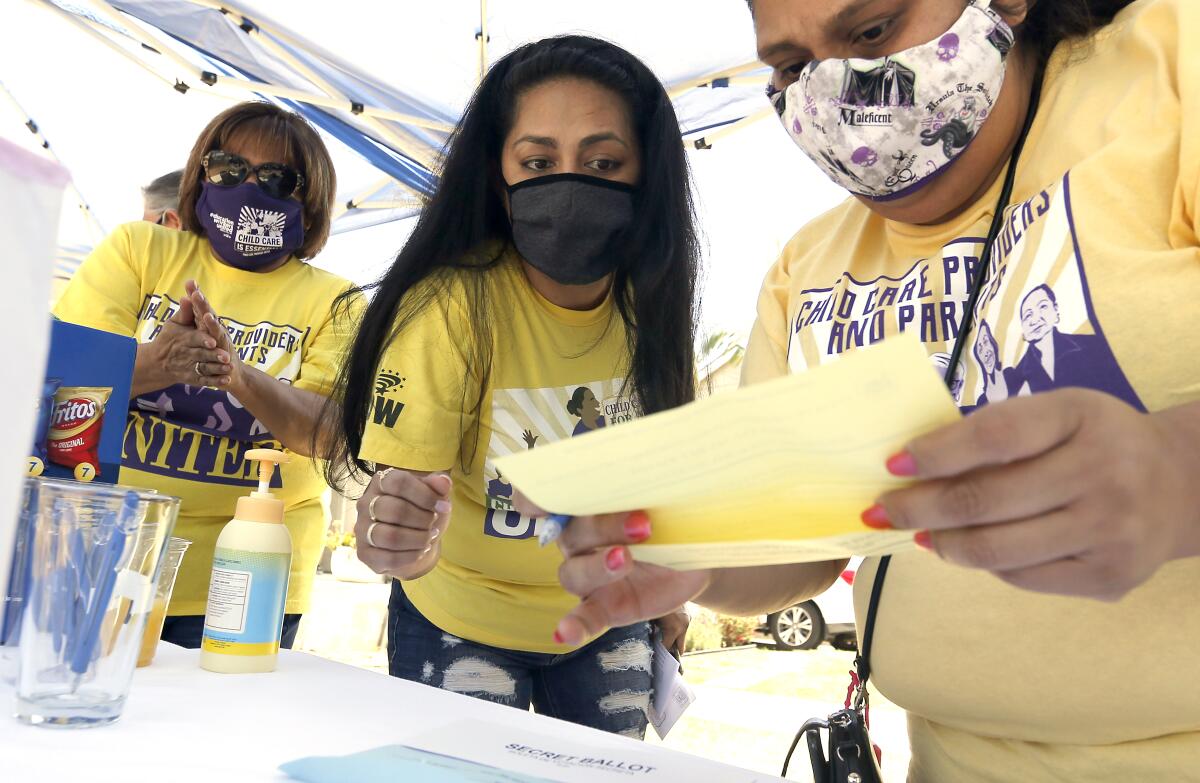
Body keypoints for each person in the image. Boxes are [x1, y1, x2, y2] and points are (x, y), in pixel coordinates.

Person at [533, 1, 1200, 779]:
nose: (832, 91)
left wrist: (1175, 473)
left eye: (873, 31)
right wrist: (700, 559)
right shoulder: (805, 268)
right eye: (789, 65)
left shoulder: (1170, 67)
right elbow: (806, 549)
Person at [329, 36, 697, 738]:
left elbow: (658, 471)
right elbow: (402, 495)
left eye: (602, 162)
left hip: (606, 616)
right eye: (538, 162)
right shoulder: (450, 306)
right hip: (459, 620)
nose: (568, 186)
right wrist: (391, 528)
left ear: (645, 175)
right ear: (500, 179)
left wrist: (669, 593)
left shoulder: (651, 302)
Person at [54, 102, 361, 650]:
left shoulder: (336, 301)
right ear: (201, 177)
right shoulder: (139, 249)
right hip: (96, 556)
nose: (248, 187)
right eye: (228, 169)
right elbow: (64, 387)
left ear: (309, 204)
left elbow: (329, 434)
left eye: (276, 177)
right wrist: (157, 364)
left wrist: (237, 375)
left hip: (251, 578)